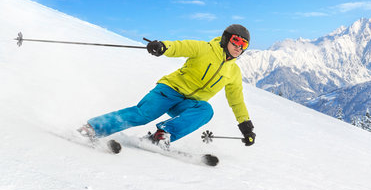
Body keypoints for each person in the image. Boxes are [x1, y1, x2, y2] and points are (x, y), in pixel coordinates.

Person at [78, 24, 256, 149]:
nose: (239, 47)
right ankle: (93, 128)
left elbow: (236, 100)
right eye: (236, 41)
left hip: (188, 103)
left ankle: (161, 136)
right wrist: (163, 47)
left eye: (244, 45)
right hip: (169, 91)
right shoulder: (204, 49)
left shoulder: (233, 72)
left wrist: (246, 126)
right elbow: (180, 46)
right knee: (143, 115)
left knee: (206, 110)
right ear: (226, 39)